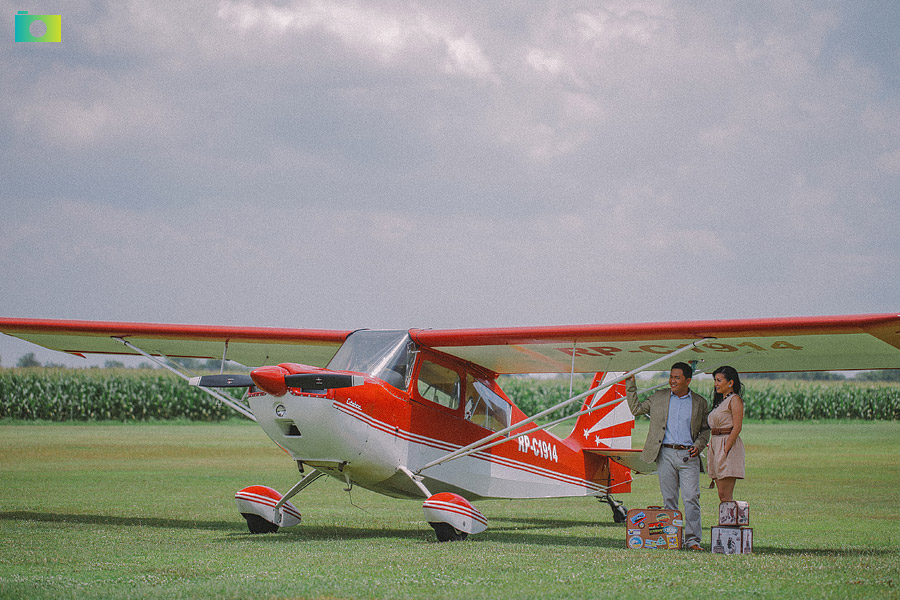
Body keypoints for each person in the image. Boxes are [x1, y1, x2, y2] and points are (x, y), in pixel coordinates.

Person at [626, 362, 710, 551]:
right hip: (665, 454)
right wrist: (631, 384)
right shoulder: (659, 397)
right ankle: (673, 539)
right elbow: (636, 409)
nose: (672, 380)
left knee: (691, 498)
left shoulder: (700, 402)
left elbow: (705, 430)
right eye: (671, 376)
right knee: (669, 499)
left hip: (689, 455)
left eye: (677, 377)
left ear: (688, 380)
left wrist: (699, 445)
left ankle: (693, 541)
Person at [707, 366, 745, 502]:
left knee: (725, 494)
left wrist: (725, 449)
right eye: (715, 380)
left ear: (730, 382)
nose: (716, 384)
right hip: (716, 444)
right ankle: (726, 521)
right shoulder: (720, 402)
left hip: (726, 445)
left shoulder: (734, 400)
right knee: (721, 494)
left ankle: (730, 520)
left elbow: (737, 427)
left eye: (719, 380)